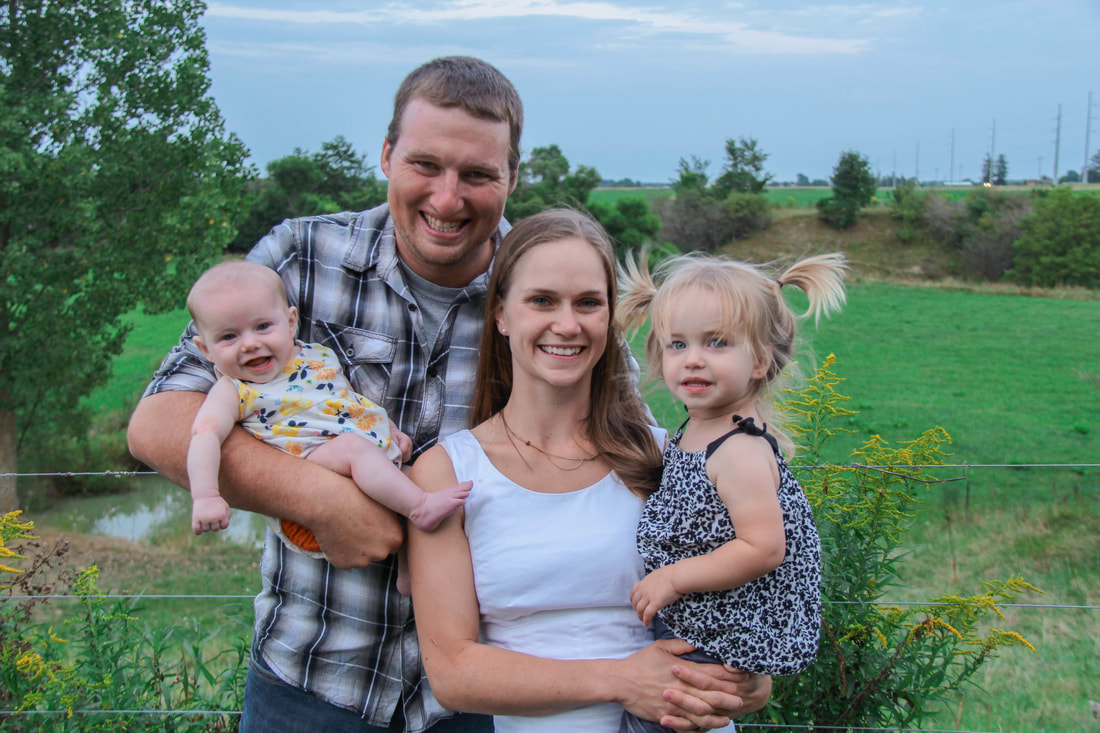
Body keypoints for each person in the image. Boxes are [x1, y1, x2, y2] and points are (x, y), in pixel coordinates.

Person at [128, 57, 764, 732]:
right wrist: (323, 499)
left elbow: (633, 465)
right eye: (426, 164)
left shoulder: (544, 286)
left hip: (495, 698)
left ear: (513, 177)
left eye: (478, 174)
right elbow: (161, 422)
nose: (448, 197)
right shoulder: (298, 260)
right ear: (386, 154)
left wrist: (729, 652)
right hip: (316, 676)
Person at [407, 209, 771, 732]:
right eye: (542, 301)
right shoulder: (448, 473)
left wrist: (750, 681)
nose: (568, 324)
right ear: (501, 314)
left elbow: (748, 606)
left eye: (588, 304)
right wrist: (619, 680)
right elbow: (455, 673)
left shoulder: (671, 459)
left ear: (610, 319)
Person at [615, 252, 847, 732]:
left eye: (717, 343)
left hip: (720, 632)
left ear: (761, 359)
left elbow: (762, 547)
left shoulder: (738, 448)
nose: (693, 358)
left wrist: (673, 578)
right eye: (677, 344)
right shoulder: (699, 428)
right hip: (699, 623)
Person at [185, 261, 470, 594]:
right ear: (205, 349)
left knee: (419, 476)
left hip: (351, 455)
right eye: (229, 336)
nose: (249, 344)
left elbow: (344, 402)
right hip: (307, 474)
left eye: (263, 327)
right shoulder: (235, 389)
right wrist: (206, 496)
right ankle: (419, 509)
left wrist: (386, 430)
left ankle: (408, 575)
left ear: (290, 322)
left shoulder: (315, 356)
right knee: (363, 457)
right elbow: (204, 434)